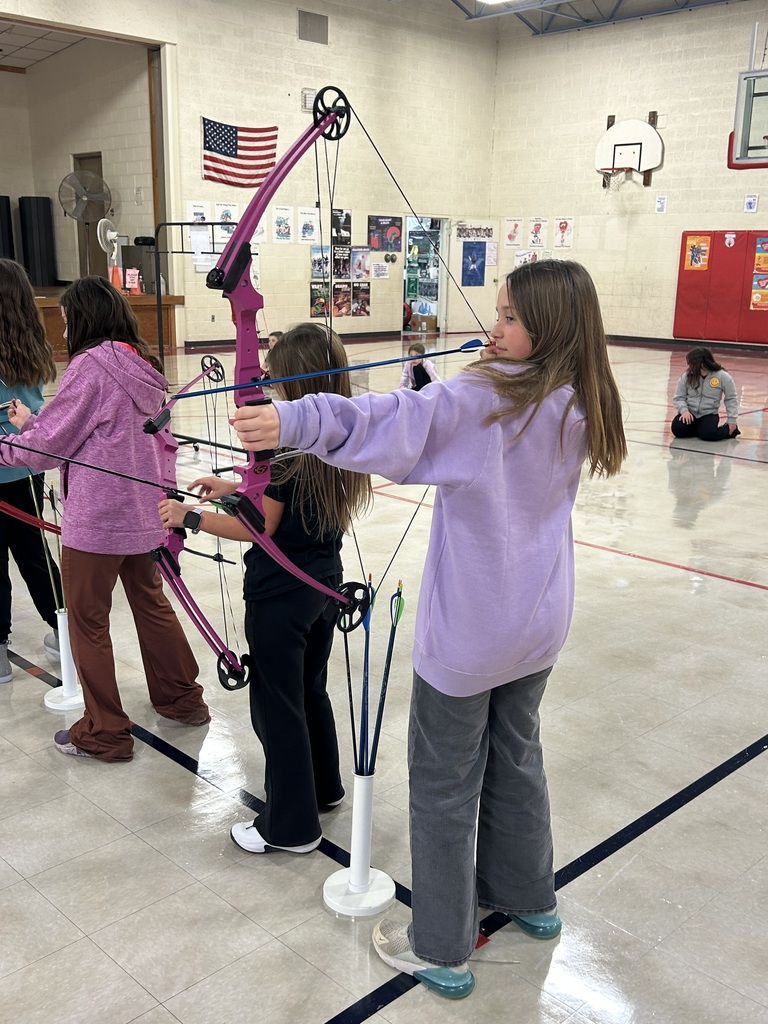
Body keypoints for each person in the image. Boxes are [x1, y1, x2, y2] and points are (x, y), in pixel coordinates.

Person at [229, 260, 627, 999]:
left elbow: (398, 424)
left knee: (444, 786)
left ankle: (440, 945)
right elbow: (428, 414)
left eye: (508, 318)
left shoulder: (485, 398)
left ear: (551, 328)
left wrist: (294, 419)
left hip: (474, 638)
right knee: (517, 758)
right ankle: (530, 898)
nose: (491, 329)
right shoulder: (581, 395)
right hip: (539, 626)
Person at [159, 322, 371, 853]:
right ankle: (324, 789)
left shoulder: (286, 452)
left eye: (275, 381)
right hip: (324, 587)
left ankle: (290, 827)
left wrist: (191, 517)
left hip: (282, 595)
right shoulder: (336, 438)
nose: (268, 390)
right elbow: (278, 499)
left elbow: (260, 525)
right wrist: (233, 487)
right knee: (308, 691)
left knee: (277, 706)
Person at [0, 276, 209, 761]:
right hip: (142, 514)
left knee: (88, 623)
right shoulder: (140, 364)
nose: (66, 327)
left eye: (69, 319)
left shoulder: (90, 365)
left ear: (85, 319)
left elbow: (52, 447)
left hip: (97, 522)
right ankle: (182, 701)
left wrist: (12, 445)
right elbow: (90, 432)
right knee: (151, 605)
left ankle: (104, 732)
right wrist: (33, 427)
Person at [0, 259, 64, 683]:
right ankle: (65, 630)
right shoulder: (30, 337)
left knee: (29, 551)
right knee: (33, 550)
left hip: (14, 458)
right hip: (28, 458)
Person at [671, 346, 740, 441]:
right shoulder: (686, 376)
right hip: (690, 413)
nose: (690, 367)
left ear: (703, 364)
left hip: (709, 414)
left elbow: (731, 398)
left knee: (709, 434)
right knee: (677, 430)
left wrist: (732, 420)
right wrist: (684, 411)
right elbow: (678, 397)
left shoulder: (723, 377)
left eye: (692, 364)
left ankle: (730, 430)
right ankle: (699, 429)